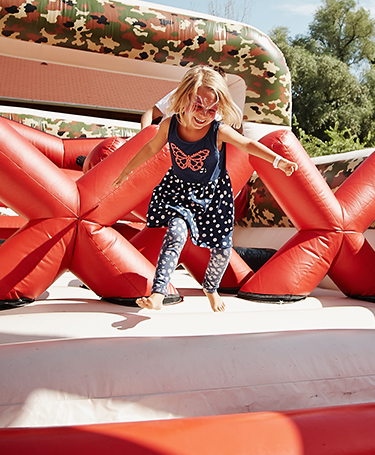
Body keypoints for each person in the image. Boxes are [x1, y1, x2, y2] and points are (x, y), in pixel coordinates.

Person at [113, 65, 297, 312]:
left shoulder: (217, 130)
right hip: (179, 191)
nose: (203, 114)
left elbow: (248, 143)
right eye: (197, 105)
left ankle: (211, 287)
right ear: (184, 97)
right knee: (175, 233)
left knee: (221, 248)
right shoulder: (170, 125)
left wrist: (278, 160)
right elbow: (151, 148)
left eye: (212, 109)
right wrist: (127, 170)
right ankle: (158, 292)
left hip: (212, 196)